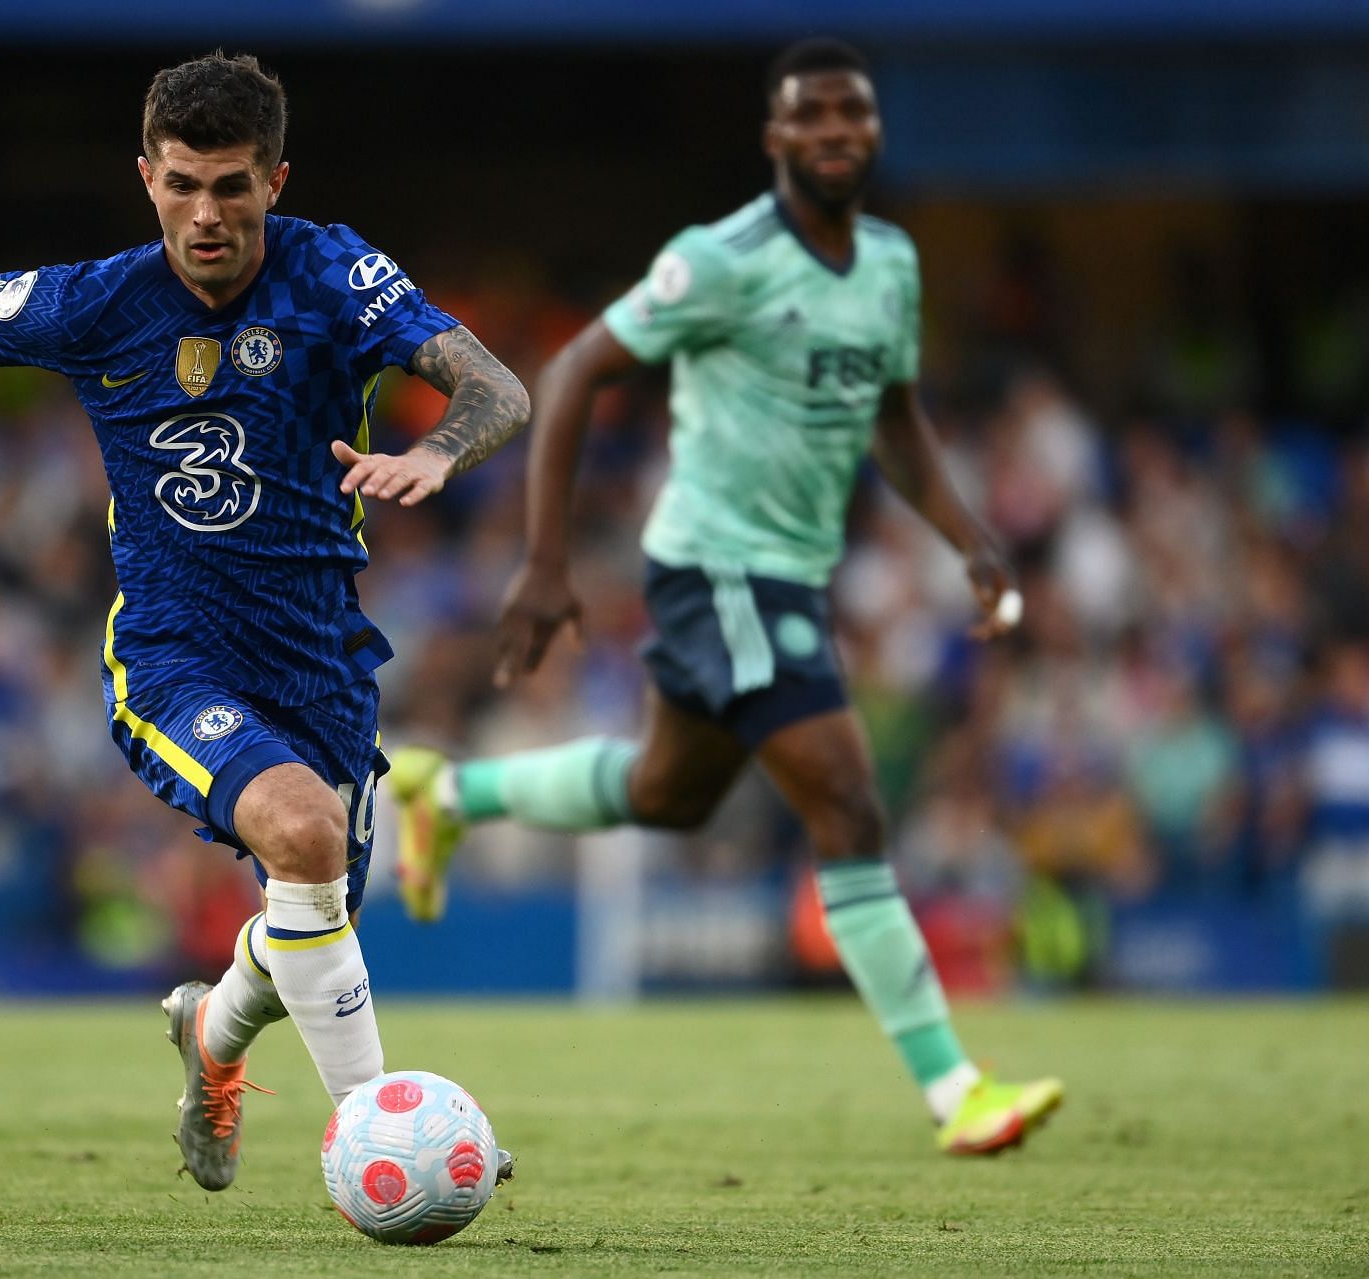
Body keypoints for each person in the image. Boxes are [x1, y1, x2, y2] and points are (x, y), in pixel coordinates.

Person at [0, 52, 529, 1190]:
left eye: (231, 185)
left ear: (276, 178)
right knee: (306, 838)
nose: (205, 213)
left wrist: (433, 451)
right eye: (181, 184)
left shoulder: (334, 272)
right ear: (145, 178)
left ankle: (208, 1035)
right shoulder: (99, 302)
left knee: (307, 915)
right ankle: (383, 1134)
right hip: (173, 655)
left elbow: (497, 387)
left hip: (321, 664)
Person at [391, 38, 1063, 1156]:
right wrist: (546, 560)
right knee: (847, 805)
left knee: (667, 792)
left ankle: (449, 795)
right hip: (721, 566)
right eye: (815, 116)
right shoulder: (722, 258)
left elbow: (891, 415)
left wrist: (969, 539)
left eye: (856, 114)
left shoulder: (891, 264)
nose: (839, 132)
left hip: (786, 570)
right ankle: (956, 1090)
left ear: (874, 131)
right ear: (777, 137)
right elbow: (572, 373)